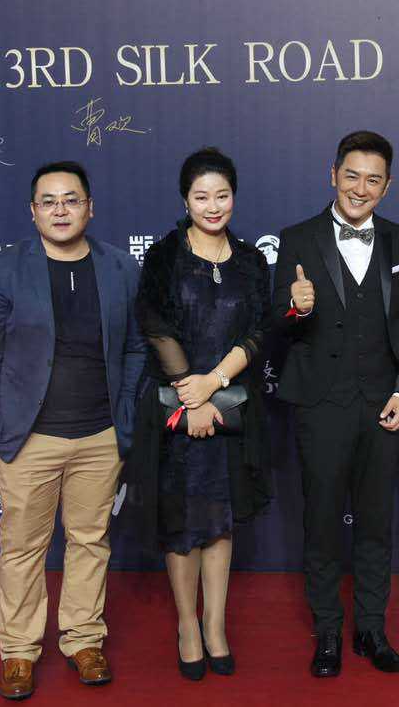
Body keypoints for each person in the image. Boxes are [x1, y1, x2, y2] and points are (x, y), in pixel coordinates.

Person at [0, 161, 146, 700]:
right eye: (49, 201)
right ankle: (19, 651)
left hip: (100, 436)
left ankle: (84, 640)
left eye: (71, 199)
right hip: (29, 438)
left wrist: (124, 418)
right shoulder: (5, 270)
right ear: (33, 211)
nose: (61, 210)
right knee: (22, 547)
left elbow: (136, 347)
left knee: (90, 541)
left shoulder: (120, 267)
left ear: (90, 207)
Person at [273, 130, 399, 677]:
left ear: (388, 186)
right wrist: (295, 307)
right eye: (352, 175)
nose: (361, 188)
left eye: (373, 180)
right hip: (321, 405)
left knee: (377, 524)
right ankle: (327, 633)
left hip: (384, 404)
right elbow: (275, 325)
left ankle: (371, 630)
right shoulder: (297, 238)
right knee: (321, 525)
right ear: (333, 174)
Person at [129, 147, 272, 681]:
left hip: (228, 407)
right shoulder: (164, 256)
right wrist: (191, 396)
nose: (213, 206)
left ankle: (215, 625)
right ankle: (187, 626)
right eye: (201, 196)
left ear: (234, 197)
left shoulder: (252, 261)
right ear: (185, 200)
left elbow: (259, 331)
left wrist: (214, 386)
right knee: (181, 521)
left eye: (222, 195)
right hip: (176, 410)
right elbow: (154, 324)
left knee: (219, 520)